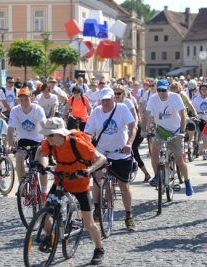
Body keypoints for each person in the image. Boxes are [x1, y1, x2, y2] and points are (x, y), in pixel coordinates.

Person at [37, 117, 106, 265]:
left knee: (88, 222)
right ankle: (52, 238)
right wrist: (42, 165)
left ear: (61, 134)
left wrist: (88, 170)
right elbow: (41, 153)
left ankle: (99, 249)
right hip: (61, 180)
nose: (47, 138)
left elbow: (101, 159)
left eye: (51, 135)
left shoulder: (77, 143)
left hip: (80, 184)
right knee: (45, 215)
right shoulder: (50, 143)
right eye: (46, 135)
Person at [85, 88, 138, 231]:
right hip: (102, 152)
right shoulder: (96, 112)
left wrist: (129, 143)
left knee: (124, 186)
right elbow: (88, 133)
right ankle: (97, 208)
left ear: (113, 98)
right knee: (97, 177)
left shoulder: (121, 108)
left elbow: (133, 127)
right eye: (103, 100)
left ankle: (129, 216)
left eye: (108, 99)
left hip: (121, 152)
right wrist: (86, 146)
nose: (106, 102)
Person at [144, 79, 194, 195]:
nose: (161, 93)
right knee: (154, 150)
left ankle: (187, 181)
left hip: (175, 131)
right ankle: (157, 175)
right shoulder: (153, 99)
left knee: (179, 160)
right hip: (160, 130)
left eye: (163, 90)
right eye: (159, 90)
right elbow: (147, 114)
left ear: (167, 89)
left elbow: (182, 116)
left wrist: (182, 132)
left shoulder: (175, 97)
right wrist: (145, 129)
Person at [6, 88, 47, 193]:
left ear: (31, 98)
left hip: (38, 140)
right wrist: (9, 145)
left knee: (41, 165)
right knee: (19, 157)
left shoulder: (38, 109)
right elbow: (10, 129)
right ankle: (22, 186)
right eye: (21, 99)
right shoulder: (15, 110)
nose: (24, 102)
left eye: (26, 99)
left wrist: (46, 140)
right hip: (23, 140)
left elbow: (44, 125)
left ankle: (43, 191)